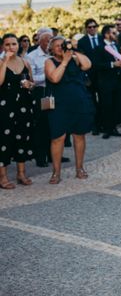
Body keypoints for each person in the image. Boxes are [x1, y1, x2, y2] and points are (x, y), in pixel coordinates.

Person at [44, 36, 94, 184]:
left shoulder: (75, 58)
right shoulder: (49, 62)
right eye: (57, 46)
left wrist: (73, 50)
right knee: (58, 138)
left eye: (63, 45)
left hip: (79, 103)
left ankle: (79, 168)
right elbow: (54, 78)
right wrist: (65, 61)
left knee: (79, 136)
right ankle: (56, 172)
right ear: (51, 49)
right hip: (59, 105)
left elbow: (87, 65)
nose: (61, 48)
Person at [0, 34, 36, 189]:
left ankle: (21, 173)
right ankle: (3, 177)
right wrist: (6, 61)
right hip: (5, 107)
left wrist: (30, 84)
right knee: (4, 141)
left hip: (23, 106)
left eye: (13, 44)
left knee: (22, 137)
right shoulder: (1, 62)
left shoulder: (25, 62)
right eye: (7, 44)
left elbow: (32, 83)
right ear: (3, 46)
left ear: (18, 45)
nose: (11, 47)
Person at [25, 28, 55, 167]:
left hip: (54, 92)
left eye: (52, 40)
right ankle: (40, 156)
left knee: (54, 125)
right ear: (41, 41)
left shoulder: (55, 54)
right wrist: (49, 75)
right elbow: (31, 79)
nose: (50, 43)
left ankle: (53, 155)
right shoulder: (32, 56)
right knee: (41, 126)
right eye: (48, 40)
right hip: (40, 93)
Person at [94, 24, 121, 138]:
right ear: (107, 34)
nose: (115, 35)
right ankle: (107, 129)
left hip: (117, 80)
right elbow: (96, 65)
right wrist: (112, 64)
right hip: (105, 81)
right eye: (113, 33)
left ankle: (114, 128)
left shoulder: (116, 45)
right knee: (106, 105)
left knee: (116, 104)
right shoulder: (99, 47)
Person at [76, 18, 103, 134]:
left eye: (94, 26)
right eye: (89, 27)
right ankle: (95, 126)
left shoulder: (102, 39)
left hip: (102, 75)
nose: (92, 29)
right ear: (86, 28)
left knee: (103, 100)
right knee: (91, 101)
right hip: (89, 76)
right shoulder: (82, 41)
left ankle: (104, 124)